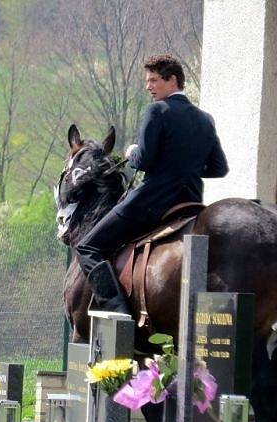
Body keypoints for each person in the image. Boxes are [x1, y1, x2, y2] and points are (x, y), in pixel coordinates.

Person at [74, 54, 228, 313]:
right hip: (191, 202)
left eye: (154, 80)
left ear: (173, 81)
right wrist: (184, 165)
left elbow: (143, 161)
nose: (148, 87)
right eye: (148, 81)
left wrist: (130, 152)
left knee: (87, 246)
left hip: (152, 203)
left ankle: (117, 312)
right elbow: (218, 168)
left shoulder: (156, 111)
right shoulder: (205, 119)